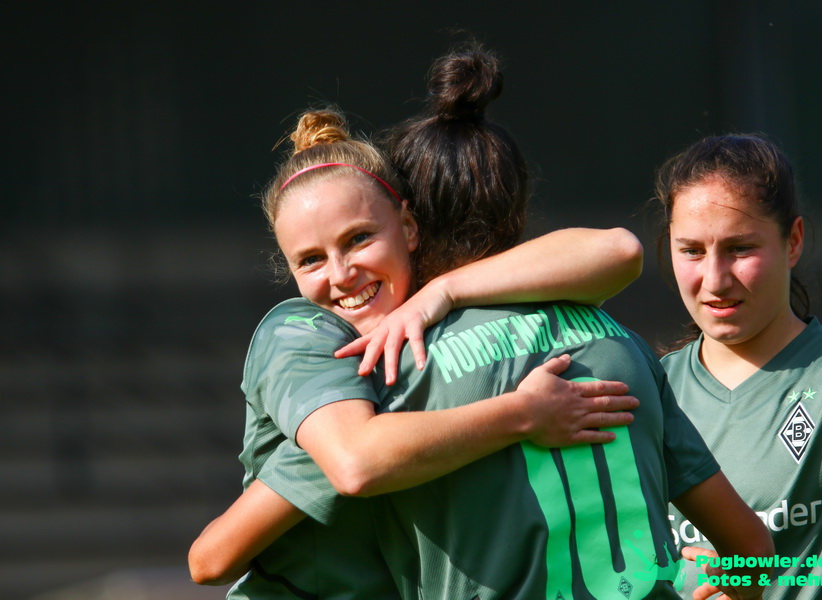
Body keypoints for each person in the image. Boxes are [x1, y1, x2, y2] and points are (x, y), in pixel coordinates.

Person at [192, 48, 773, 600]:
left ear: (410, 225)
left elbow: (226, 549)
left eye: (360, 238)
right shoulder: (624, 345)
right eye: (311, 260)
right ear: (520, 209)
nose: (341, 274)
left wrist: (443, 300)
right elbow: (753, 553)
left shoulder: (385, 371)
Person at [654, 134, 822, 599]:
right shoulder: (648, 390)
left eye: (740, 248)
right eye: (691, 250)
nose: (714, 279)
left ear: (793, 241)